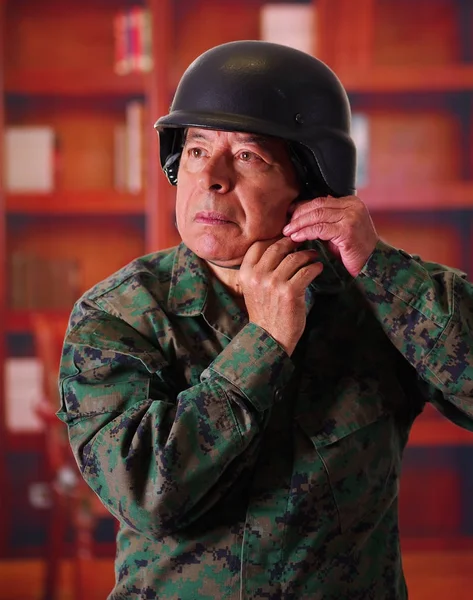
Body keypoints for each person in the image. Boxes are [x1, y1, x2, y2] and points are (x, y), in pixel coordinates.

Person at [58, 40, 473, 599]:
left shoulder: (375, 297)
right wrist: (265, 344)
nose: (212, 177)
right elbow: (146, 493)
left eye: (249, 156)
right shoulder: (119, 314)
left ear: (310, 182)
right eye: (199, 151)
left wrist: (381, 270)